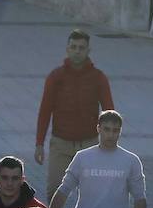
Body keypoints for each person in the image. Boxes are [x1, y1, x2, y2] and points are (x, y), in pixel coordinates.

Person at [35, 30, 115, 198]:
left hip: (90, 145)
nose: (77, 51)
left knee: (93, 195)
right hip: (60, 145)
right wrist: (39, 143)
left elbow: (109, 113)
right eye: (73, 47)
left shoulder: (98, 78)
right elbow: (45, 111)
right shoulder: (56, 77)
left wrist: (110, 145)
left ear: (88, 51)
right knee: (54, 192)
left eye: (81, 48)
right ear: (67, 49)